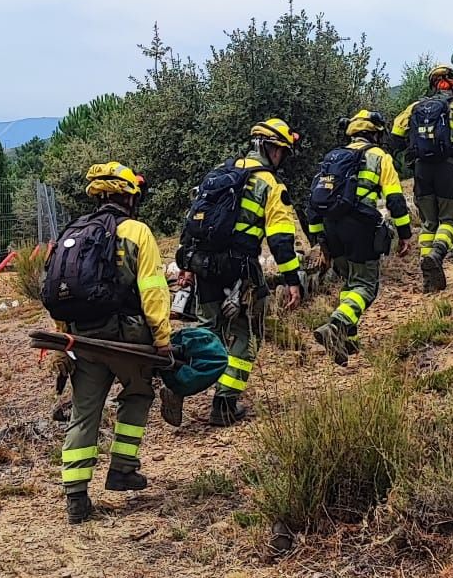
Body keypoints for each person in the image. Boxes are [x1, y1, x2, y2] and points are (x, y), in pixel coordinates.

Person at [44, 162, 172, 526]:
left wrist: (65, 337)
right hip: (125, 336)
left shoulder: (74, 230)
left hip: (82, 337)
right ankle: (122, 469)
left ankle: (75, 496)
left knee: (84, 411)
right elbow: (152, 290)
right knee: (139, 393)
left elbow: (57, 288)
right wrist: (162, 339)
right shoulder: (137, 231)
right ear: (129, 196)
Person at [176, 119, 302, 426]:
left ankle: (176, 379)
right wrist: (292, 280)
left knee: (208, 329)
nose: (282, 158)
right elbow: (281, 240)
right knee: (247, 334)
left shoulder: (219, 173)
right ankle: (224, 404)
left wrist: (187, 268)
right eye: (283, 152)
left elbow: (192, 224)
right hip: (240, 268)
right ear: (273, 149)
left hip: (202, 265)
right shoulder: (270, 184)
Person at [307, 110, 412, 364]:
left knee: (350, 282)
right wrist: (405, 233)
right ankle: (336, 325)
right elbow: (395, 199)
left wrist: (320, 241)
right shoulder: (379, 156)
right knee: (366, 285)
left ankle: (349, 342)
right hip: (360, 227)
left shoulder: (332, 158)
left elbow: (314, 203)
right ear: (375, 133)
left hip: (331, 228)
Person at [392, 65, 453, 291]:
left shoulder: (415, 108)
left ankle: (428, 276)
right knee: (450, 220)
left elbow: (395, 134)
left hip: (422, 170)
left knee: (428, 223)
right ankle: (437, 254)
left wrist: (412, 153)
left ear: (433, 85)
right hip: (449, 169)